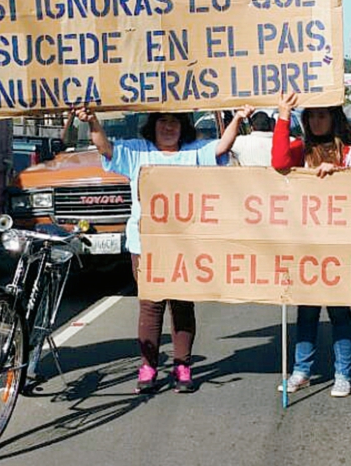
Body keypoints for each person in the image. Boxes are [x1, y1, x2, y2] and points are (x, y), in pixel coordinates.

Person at [76, 106, 250, 393]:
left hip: (185, 244)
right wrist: (93, 121)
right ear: (153, 125)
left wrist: (239, 118)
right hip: (145, 243)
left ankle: (183, 365)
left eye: (175, 122)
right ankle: (148, 367)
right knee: (150, 304)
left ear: (183, 127)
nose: (169, 128)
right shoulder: (137, 152)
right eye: (163, 122)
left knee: (182, 304)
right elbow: (106, 148)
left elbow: (223, 145)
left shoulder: (194, 151)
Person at [271, 92, 351, 398]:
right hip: (307, 243)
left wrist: (339, 173)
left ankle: (343, 373)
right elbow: (277, 162)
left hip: (341, 245)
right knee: (307, 311)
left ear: (334, 118)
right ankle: (302, 370)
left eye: (323, 115)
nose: (317, 121)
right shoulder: (300, 149)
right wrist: (284, 114)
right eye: (311, 115)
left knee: (339, 312)